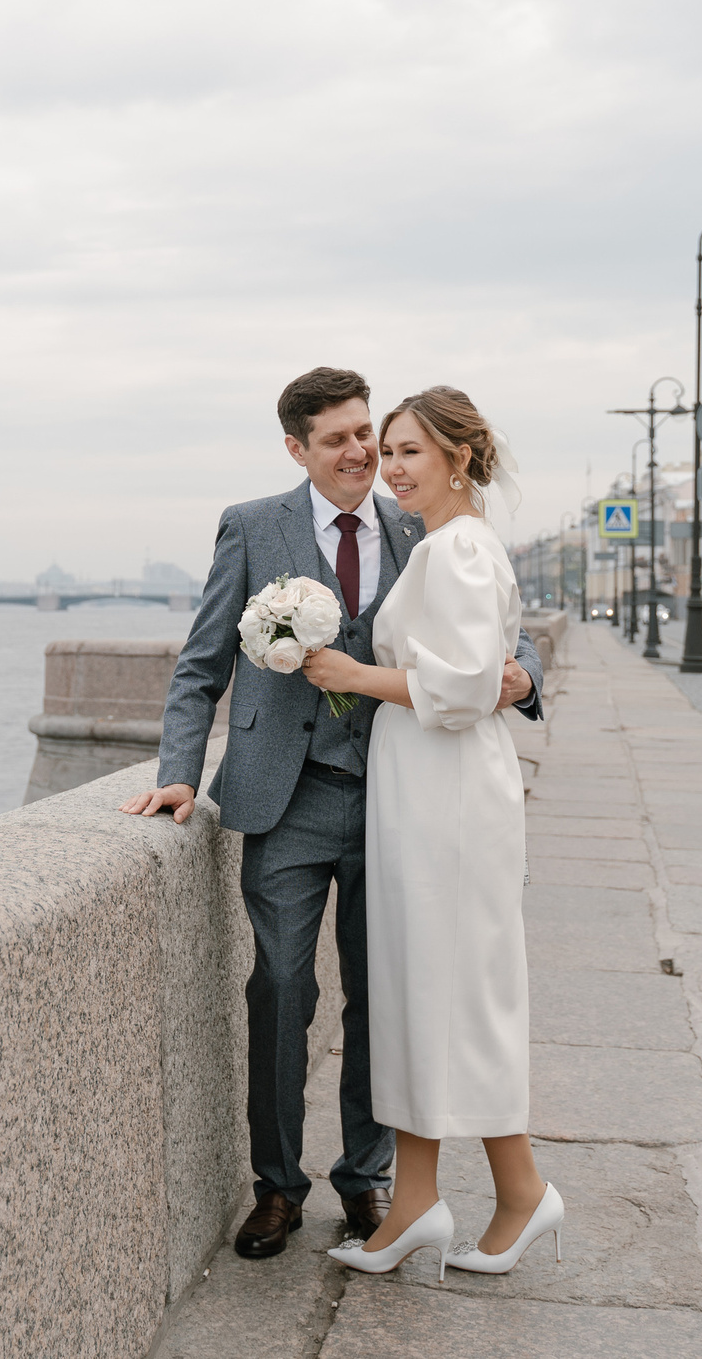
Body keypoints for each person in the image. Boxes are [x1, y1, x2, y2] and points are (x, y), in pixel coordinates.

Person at [119, 367, 541, 1259]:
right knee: (281, 988)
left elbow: (501, 629)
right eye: (344, 440)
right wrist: (179, 772)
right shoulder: (251, 526)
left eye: (371, 436)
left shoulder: (420, 516)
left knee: (387, 995)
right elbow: (201, 666)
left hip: (398, 797)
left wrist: (527, 674)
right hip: (286, 797)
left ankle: (370, 1181)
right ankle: (277, 1186)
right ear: (297, 449)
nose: (364, 455)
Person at [308, 387, 560, 1282]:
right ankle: (415, 1199)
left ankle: (522, 1187)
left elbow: (458, 690)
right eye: (390, 449)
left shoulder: (455, 549)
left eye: (410, 450)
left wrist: (352, 672)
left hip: (448, 796)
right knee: (423, 988)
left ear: (457, 457)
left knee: (462, 991)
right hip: (427, 793)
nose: (393, 466)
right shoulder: (448, 545)